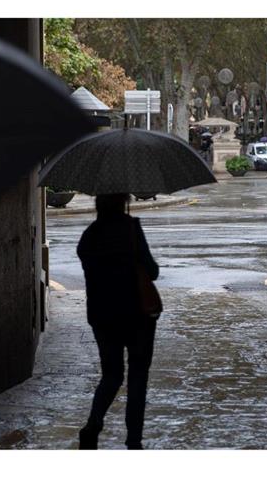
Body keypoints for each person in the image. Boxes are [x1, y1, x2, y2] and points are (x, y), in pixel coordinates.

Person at [76, 193, 160, 450]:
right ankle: (133, 440)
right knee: (137, 377)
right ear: (123, 201)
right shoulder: (131, 228)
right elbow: (152, 271)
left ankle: (93, 425)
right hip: (138, 315)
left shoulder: (90, 236)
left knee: (111, 375)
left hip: (103, 316)